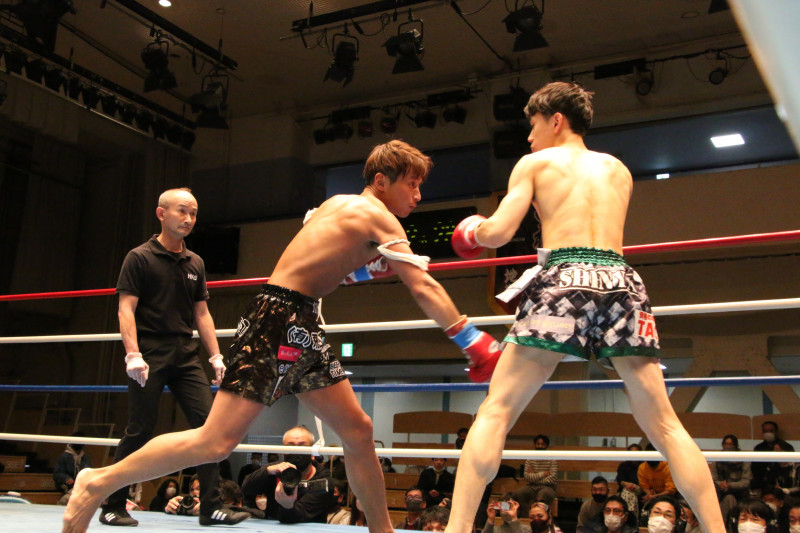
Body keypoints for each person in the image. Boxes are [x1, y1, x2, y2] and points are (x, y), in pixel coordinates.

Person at [63, 140, 503, 533]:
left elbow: (323, 269)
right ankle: (99, 481)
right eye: (412, 184)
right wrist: (471, 339)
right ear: (382, 181)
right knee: (215, 441)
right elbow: (422, 286)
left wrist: (368, 269)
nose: (418, 195)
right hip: (279, 320)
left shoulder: (338, 205)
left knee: (358, 429)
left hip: (299, 321)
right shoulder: (379, 217)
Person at [444, 81, 725, 533]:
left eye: (534, 125)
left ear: (556, 120)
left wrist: (472, 230)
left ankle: (457, 529)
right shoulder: (618, 169)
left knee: (495, 412)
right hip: (622, 283)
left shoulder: (535, 163)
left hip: (563, 279)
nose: (529, 137)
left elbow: (499, 233)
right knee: (666, 425)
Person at [96, 188, 243, 527]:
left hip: (185, 354)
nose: (189, 219)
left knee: (210, 428)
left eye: (193, 213)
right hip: (149, 353)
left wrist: (216, 356)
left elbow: (202, 314)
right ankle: (113, 504)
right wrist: (133, 354)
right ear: (161, 214)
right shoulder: (139, 257)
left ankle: (211, 508)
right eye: (182, 211)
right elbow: (125, 309)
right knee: (140, 429)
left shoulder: (195, 262)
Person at [240, 426, 334, 523]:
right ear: (283, 452)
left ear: (312, 453)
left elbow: (301, 515)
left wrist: (287, 506)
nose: (296, 451)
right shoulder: (275, 469)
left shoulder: (323, 481)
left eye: (302, 446)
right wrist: (267, 471)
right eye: (290, 446)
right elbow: (246, 488)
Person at [711, 435, 751, 522]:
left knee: (730, 499)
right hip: (720, 492)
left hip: (740, 493)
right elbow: (713, 478)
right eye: (726, 444)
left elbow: (745, 482)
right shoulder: (716, 457)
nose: (728, 446)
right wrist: (722, 485)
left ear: (736, 446)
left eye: (731, 444)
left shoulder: (744, 458)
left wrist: (730, 485)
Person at [520, 434, 558, 508]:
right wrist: (543, 474)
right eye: (538, 444)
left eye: (542, 444)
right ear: (534, 444)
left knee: (543, 495)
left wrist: (534, 475)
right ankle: (524, 515)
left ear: (546, 445)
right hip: (531, 486)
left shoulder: (552, 458)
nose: (540, 446)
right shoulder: (530, 458)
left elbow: (552, 479)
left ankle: (540, 514)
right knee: (518, 493)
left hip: (548, 487)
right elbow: (527, 477)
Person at [54, 433, 92, 501]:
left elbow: (89, 472)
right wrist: (66, 478)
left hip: (81, 486)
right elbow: (58, 473)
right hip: (67, 486)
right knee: (72, 497)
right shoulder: (64, 457)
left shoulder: (85, 458)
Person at [616, 443, 644, 518]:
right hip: (626, 490)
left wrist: (634, 486)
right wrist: (626, 484)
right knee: (628, 493)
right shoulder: (623, 465)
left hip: (641, 490)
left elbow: (645, 482)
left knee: (629, 493)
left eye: (636, 453)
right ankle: (631, 517)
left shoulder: (644, 466)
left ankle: (630, 518)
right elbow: (620, 480)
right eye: (632, 453)